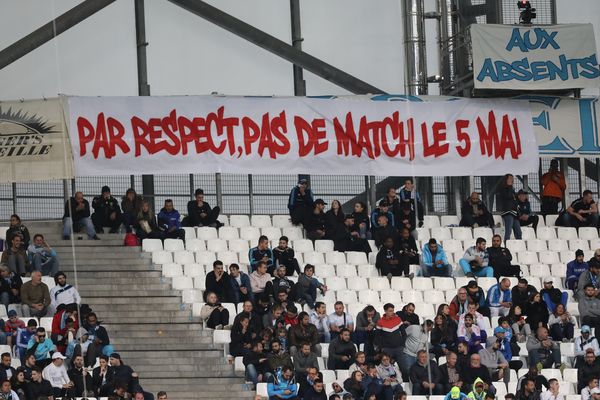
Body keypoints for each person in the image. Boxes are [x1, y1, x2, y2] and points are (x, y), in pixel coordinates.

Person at [374, 304, 405, 370]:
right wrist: (382, 348)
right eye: (390, 311)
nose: (392, 312)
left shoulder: (398, 319)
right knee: (387, 369)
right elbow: (377, 337)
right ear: (385, 311)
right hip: (387, 349)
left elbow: (404, 333)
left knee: (404, 368)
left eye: (393, 311)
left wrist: (402, 345)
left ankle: (405, 380)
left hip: (399, 348)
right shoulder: (380, 322)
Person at [497, 174, 522, 240]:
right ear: (506, 180)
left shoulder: (512, 189)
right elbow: (507, 196)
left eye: (512, 178)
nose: (512, 180)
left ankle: (519, 245)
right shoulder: (503, 188)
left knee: (518, 232)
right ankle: (506, 245)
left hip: (514, 212)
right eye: (510, 178)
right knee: (508, 231)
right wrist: (510, 187)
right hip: (508, 212)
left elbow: (514, 199)